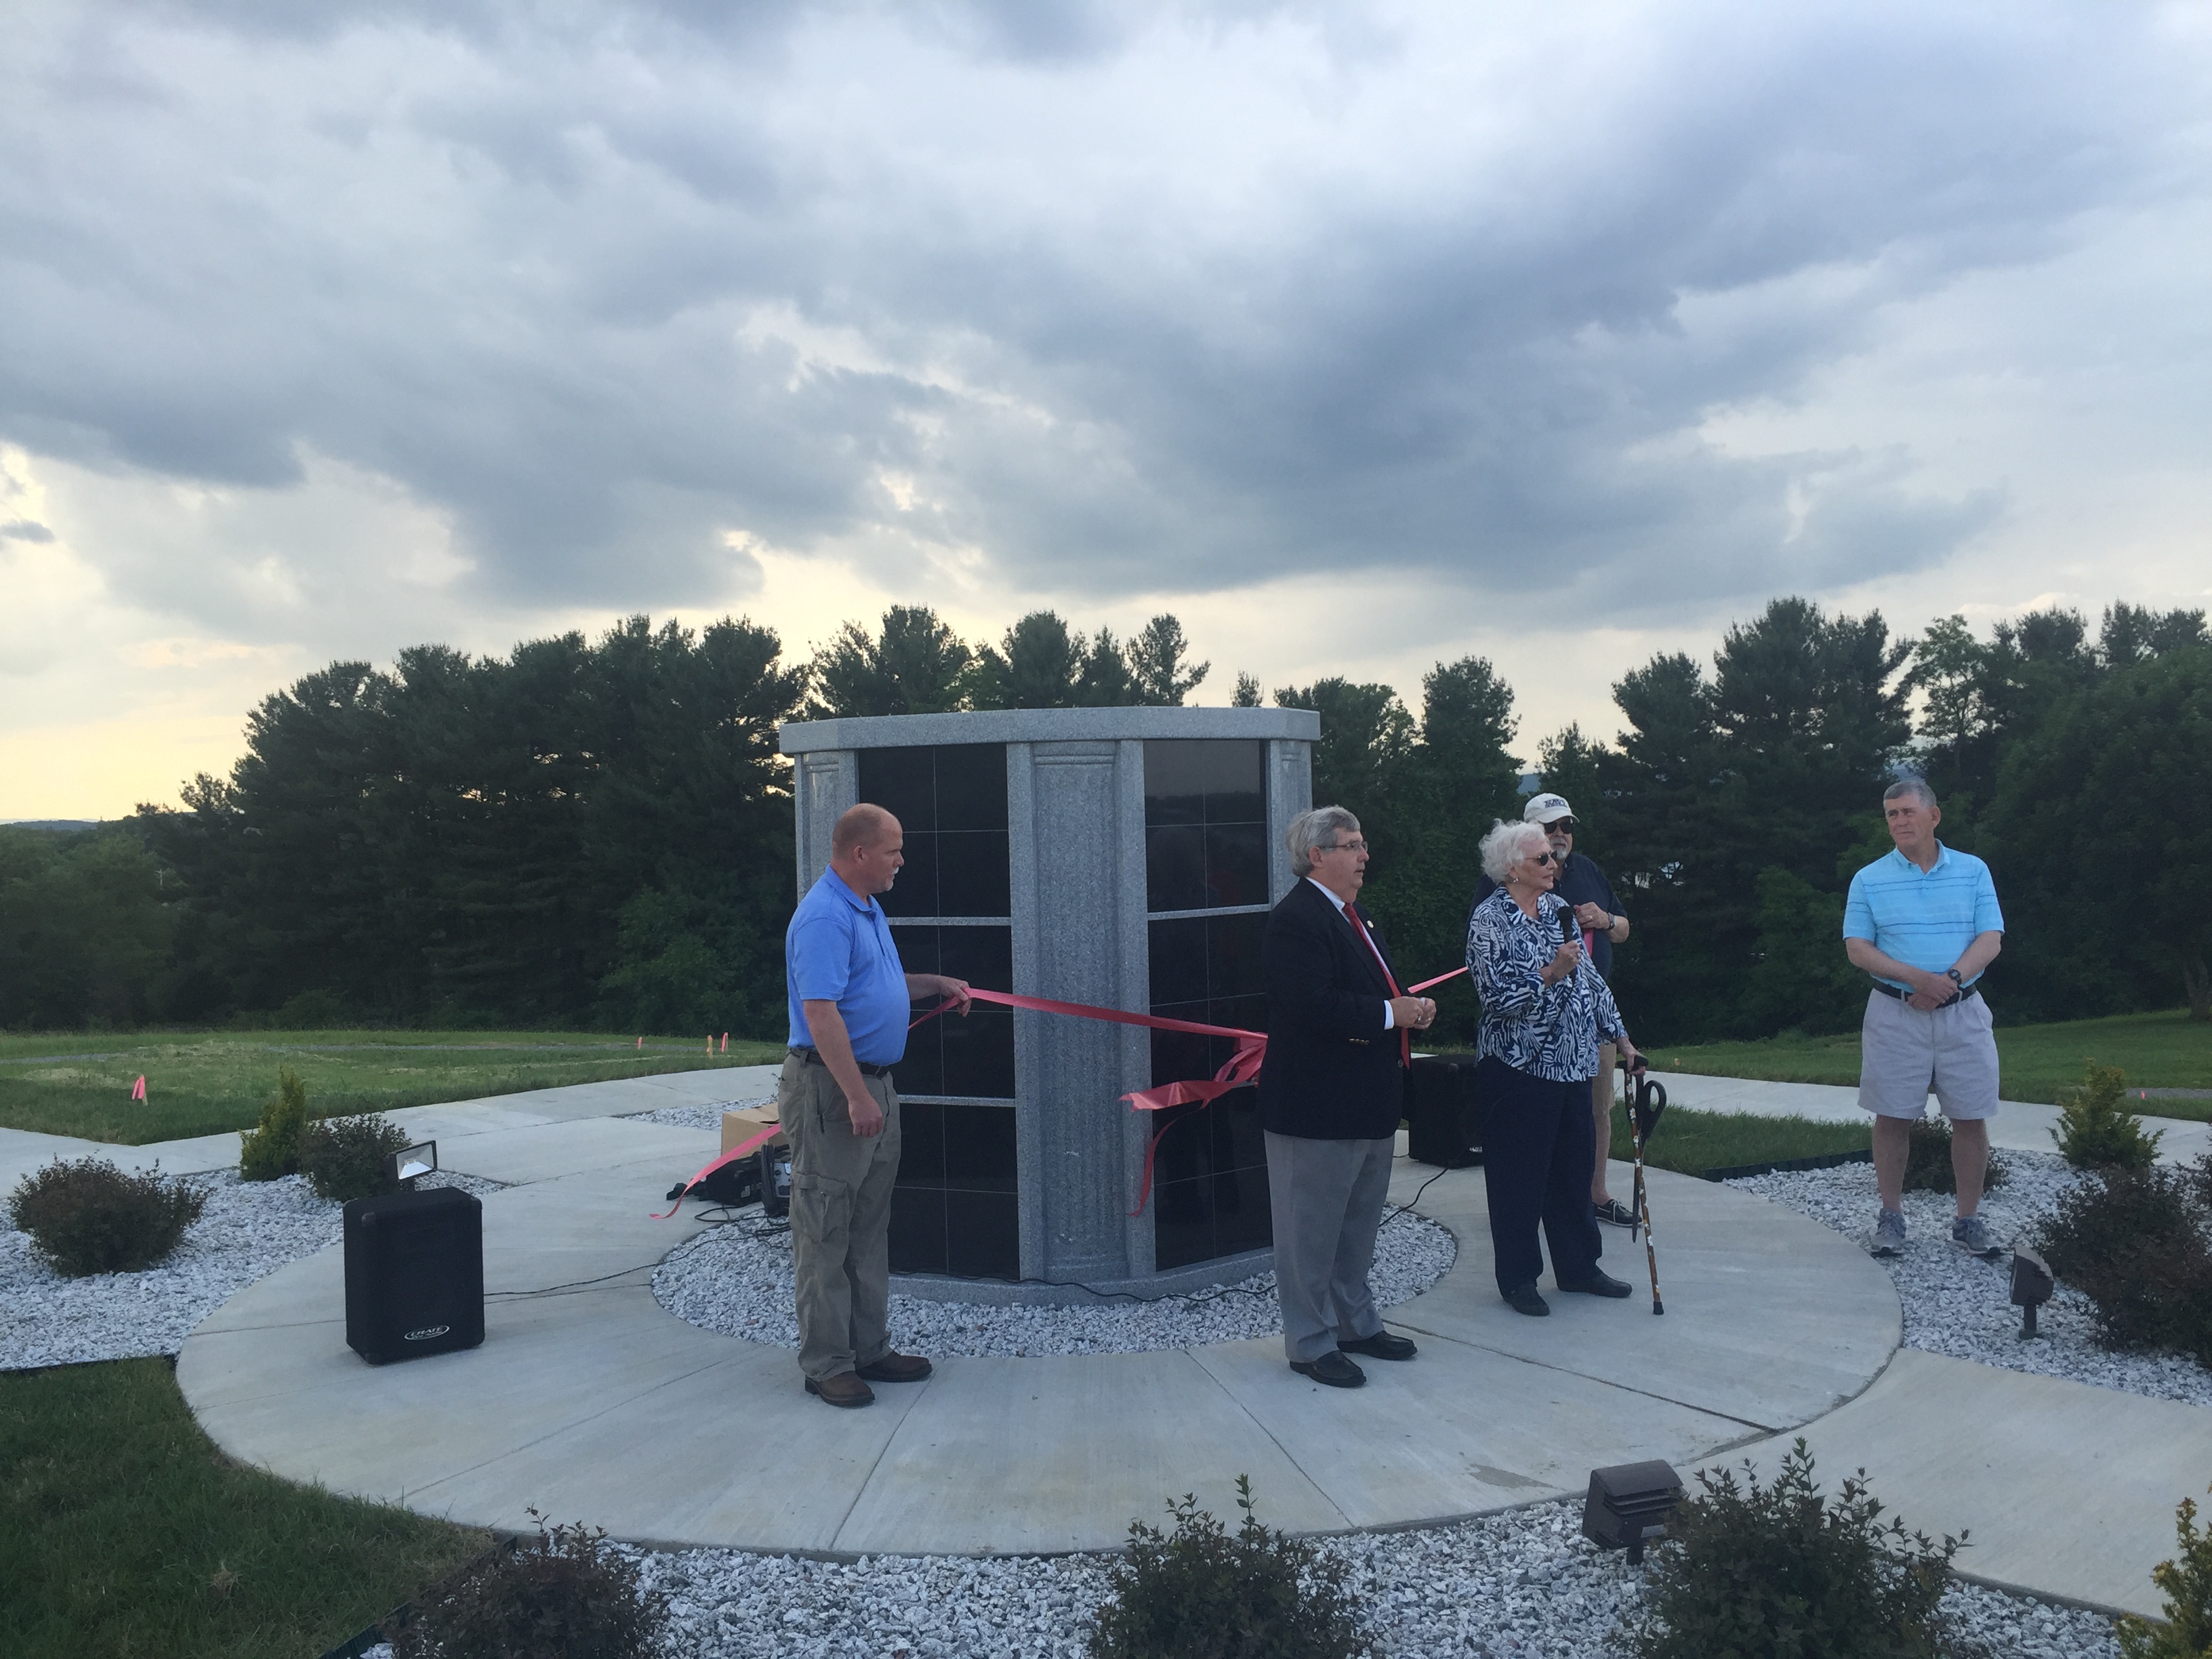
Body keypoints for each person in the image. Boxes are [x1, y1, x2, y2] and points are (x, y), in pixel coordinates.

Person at [783, 802, 973, 1408]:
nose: (900, 860)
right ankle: (827, 1364)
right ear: (859, 853)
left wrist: (931, 985)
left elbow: (871, 985)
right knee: (825, 1228)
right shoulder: (823, 918)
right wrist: (858, 1095)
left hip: (873, 1086)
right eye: (892, 850)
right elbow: (820, 1013)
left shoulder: (864, 908)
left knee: (867, 1227)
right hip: (837, 1092)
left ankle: (870, 1349)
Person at [1256, 805, 1437, 1389]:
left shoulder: (1358, 919)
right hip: (1315, 1109)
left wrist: (1412, 1006)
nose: (1365, 856)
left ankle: (1355, 1323)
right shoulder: (1296, 921)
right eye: (1353, 845)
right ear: (1318, 856)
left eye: (1362, 844)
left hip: (1367, 1102)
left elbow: (1380, 990)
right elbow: (1312, 1005)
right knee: (1310, 1233)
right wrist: (1392, 1012)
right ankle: (1310, 1344)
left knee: (1357, 1227)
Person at [1467, 819, 1646, 1316]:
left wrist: (1624, 1039)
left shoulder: (1560, 910)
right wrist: (1550, 973)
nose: (1554, 865)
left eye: (1553, 856)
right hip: (1518, 1068)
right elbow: (1498, 1000)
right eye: (1542, 859)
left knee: (1572, 1174)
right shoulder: (1489, 922)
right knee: (1519, 1179)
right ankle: (1519, 1277)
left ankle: (1579, 1268)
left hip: (1573, 1065)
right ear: (1511, 869)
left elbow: (1590, 983)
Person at [1842, 777, 2006, 1258]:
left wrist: (1947, 980)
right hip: (1895, 1014)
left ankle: (1968, 1220)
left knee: (1970, 1116)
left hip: (1963, 1013)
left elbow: (1991, 938)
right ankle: (1891, 1217)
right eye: (1891, 814)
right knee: (1892, 1115)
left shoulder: (1973, 871)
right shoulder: (1869, 879)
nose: (1899, 822)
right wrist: (1918, 978)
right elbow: (1857, 949)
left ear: (1934, 816)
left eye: (1908, 812)